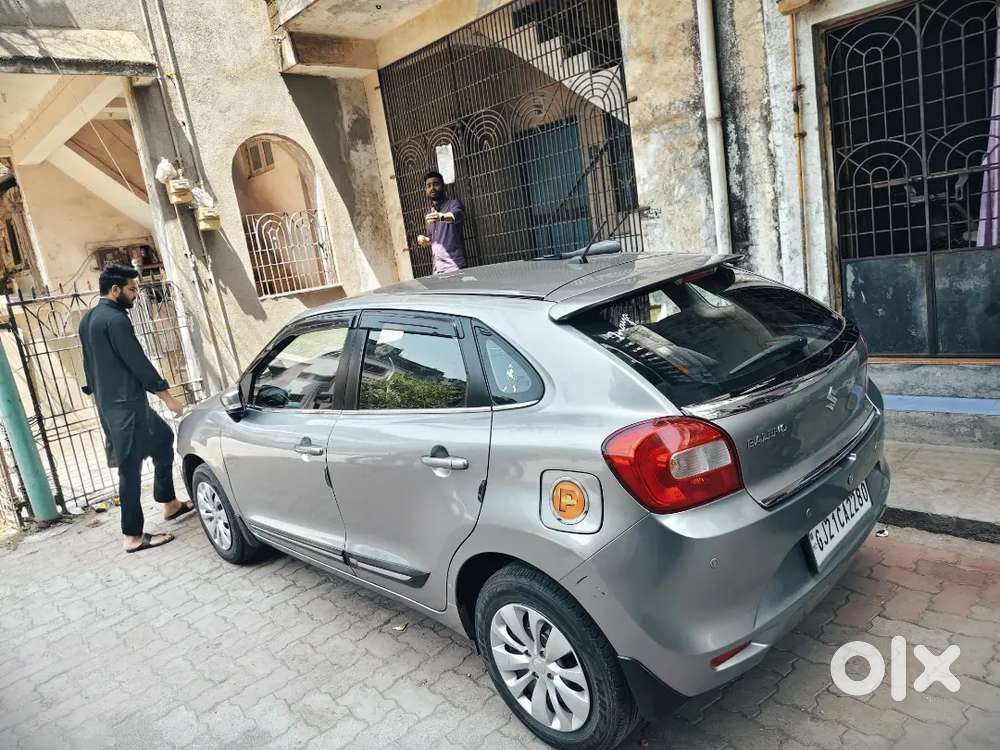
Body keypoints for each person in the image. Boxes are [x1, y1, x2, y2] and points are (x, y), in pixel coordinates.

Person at [79, 264, 191, 553]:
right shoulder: (115, 320)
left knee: (164, 438)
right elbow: (137, 361)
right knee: (130, 469)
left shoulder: (88, 319)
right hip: (125, 408)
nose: (135, 295)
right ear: (115, 290)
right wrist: (167, 396)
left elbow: (88, 365)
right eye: (131, 290)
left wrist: (98, 394)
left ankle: (169, 503)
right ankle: (132, 535)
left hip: (115, 405)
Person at [416, 170, 467, 274]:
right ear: (426, 190)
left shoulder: (453, 204)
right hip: (437, 269)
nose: (432, 188)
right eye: (428, 186)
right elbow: (432, 238)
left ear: (443, 186)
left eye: (436, 184)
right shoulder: (429, 213)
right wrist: (425, 239)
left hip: (454, 267)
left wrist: (441, 217)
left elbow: (455, 215)